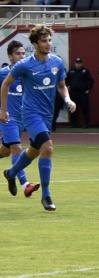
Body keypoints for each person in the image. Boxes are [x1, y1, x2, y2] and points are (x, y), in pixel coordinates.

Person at [1, 26, 75, 211]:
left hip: (46, 115)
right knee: (47, 147)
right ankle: (46, 196)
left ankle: (11, 173)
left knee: (34, 151)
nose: (48, 44)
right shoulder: (24, 65)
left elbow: (61, 86)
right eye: (44, 41)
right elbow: (5, 85)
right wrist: (3, 110)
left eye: (50, 40)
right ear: (34, 44)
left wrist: (67, 99)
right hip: (31, 114)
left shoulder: (57, 62)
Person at [0, 41, 31, 196]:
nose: (22, 56)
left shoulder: (28, 75)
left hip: (22, 120)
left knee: (5, 151)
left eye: (23, 53)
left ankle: (9, 174)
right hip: (7, 118)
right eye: (18, 53)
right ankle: (25, 184)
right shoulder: (3, 74)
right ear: (10, 56)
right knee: (17, 149)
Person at [65, 57, 93, 129]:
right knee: (73, 108)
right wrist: (68, 86)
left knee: (85, 108)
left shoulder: (85, 71)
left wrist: (88, 89)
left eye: (79, 63)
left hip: (82, 92)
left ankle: (86, 123)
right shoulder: (71, 71)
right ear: (75, 63)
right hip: (73, 92)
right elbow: (66, 79)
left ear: (81, 63)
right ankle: (74, 124)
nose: (78, 64)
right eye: (77, 63)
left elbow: (91, 81)